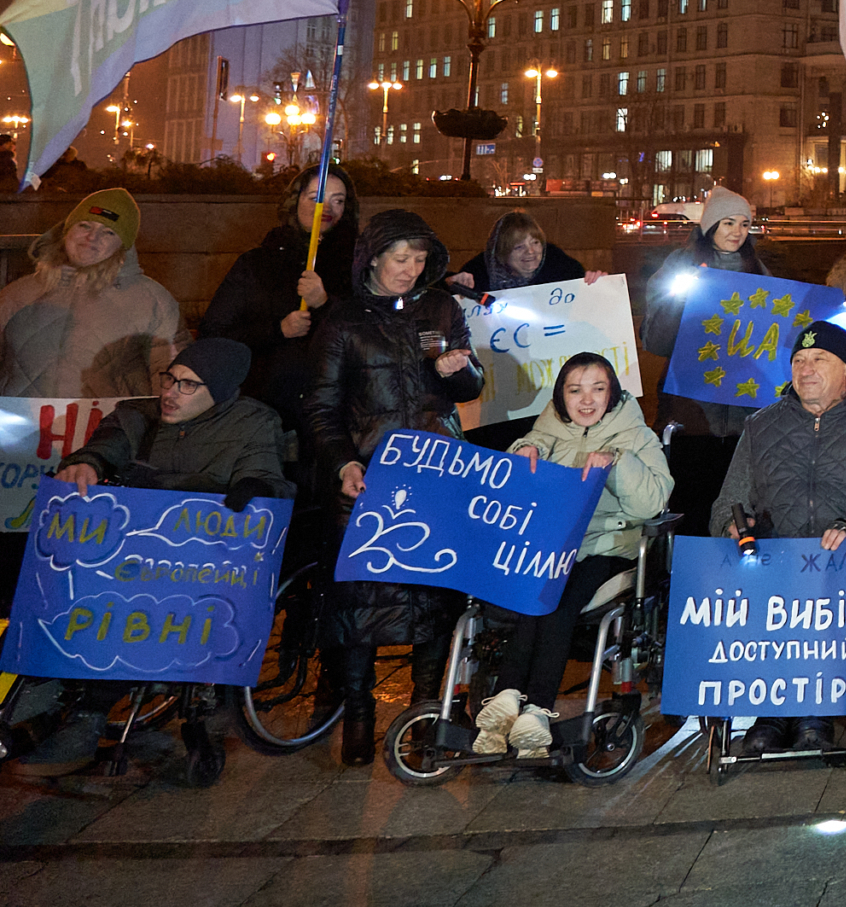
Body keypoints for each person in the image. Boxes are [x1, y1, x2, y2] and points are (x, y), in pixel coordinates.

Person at [8, 338, 290, 783]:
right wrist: (87, 462)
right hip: (129, 545)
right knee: (63, 572)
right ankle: (43, 679)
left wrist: (254, 488)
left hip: (194, 559)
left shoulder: (253, 422)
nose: (171, 392)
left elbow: (266, 473)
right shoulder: (137, 413)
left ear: (216, 391)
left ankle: (90, 716)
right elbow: (110, 442)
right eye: (169, 378)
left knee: (134, 599)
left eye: (188, 385)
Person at [306, 210, 485, 767]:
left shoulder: (441, 308)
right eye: (401, 259)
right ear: (375, 259)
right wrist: (341, 465)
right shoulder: (344, 320)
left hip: (437, 471)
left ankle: (427, 715)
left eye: (420, 260)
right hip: (369, 476)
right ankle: (357, 714)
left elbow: (471, 384)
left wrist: (459, 371)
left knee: (436, 597)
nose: (411, 270)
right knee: (359, 604)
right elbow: (320, 406)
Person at [712, 321, 846, 756]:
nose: (806, 369)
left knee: (821, 588)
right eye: (798, 361)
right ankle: (772, 713)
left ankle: (813, 712)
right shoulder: (760, 426)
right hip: (775, 561)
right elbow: (726, 503)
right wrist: (732, 526)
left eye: (819, 359)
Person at [470, 353, 673, 759]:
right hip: (551, 548)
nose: (586, 399)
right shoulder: (538, 440)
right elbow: (510, 497)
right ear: (560, 396)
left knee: (557, 600)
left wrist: (617, 465)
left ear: (612, 392)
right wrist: (521, 458)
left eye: (598, 389)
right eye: (575, 389)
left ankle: (538, 708)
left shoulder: (636, 437)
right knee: (531, 593)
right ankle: (508, 697)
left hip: (608, 547)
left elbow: (652, 504)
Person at [198, 164, 360, 439]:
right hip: (264, 414)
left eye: (339, 200)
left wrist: (325, 304)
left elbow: (369, 333)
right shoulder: (257, 264)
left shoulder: (359, 266)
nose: (327, 207)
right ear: (295, 201)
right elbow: (213, 335)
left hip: (334, 420)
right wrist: (277, 330)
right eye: (316, 197)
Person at [641, 186, 766, 535]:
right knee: (690, 509)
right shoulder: (680, 267)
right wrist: (682, 301)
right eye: (728, 222)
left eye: (744, 224)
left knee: (736, 515)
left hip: (743, 419)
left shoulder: (759, 273)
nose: (737, 232)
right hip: (691, 416)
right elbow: (655, 340)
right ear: (710, 225)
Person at [0, 188, 181, 398]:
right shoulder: (18, 293)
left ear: (124, 245)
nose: (91, 237)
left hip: (107, 427)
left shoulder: (153, 300)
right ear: (67, 231)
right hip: (23, 427)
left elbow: (172, 375)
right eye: (84, 225)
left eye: (108, 232)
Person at [447, 208, 599, 293]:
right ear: (503, 253)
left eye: (535, 242)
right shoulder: (477, 276)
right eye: (519, 247)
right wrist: (453, 286)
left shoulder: (564, 271)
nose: (531, 252)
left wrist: (597, 284)